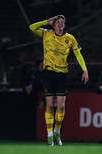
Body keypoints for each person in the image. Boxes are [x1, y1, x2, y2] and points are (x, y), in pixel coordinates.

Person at [29, 15, 89, 147]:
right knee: (50, 105)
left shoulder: (70, 38)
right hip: (48, 73)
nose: (61, 24)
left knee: (61, 106)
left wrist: (85, 70)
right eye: (58, 22)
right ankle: (49, 134)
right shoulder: (46, 34)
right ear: (53, 24)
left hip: (62, 74)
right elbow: (32, 27)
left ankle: (57, 132)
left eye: (63, 22)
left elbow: (78, 54)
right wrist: (46, 21)